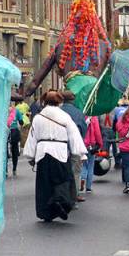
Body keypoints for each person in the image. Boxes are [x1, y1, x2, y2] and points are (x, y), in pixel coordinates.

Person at [22, 91, 87, 222]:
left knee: (44, 184)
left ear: (45, 101)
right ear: (59, 102)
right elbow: (74, 135)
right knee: (63, 179)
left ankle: (46, 212)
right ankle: (60, 201)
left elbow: (32, 137)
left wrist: (30, 156)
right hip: (60, 151)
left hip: (42, 153)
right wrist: (80, 152)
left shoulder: (38, 118)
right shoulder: (65, 116)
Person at [60, 90, 89, 201]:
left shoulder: (59, 111)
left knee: (62, 170)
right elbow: (83, 129)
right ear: (73, 100)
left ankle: (62, 193)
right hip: (74, 145)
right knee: (76, 171)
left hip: (60, 145)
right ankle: (75, 194)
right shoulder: (78, 112)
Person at [81, 115, 103, 195]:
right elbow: (97, 132)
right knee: (90, 166)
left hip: (82, 144)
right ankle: (88, 187)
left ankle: (82, 178)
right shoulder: (93, 117)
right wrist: (99, 144)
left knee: (83, 165)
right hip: (91, 145)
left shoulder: (81, 115)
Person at [7, 101, 24, 177]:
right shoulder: (16, 111)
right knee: (15, 151)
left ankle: (5, 171)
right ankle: (14, 169)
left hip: (5, 132)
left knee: (4, 152)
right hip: (14, 132)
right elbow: (21, 122)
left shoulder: (2, 109)